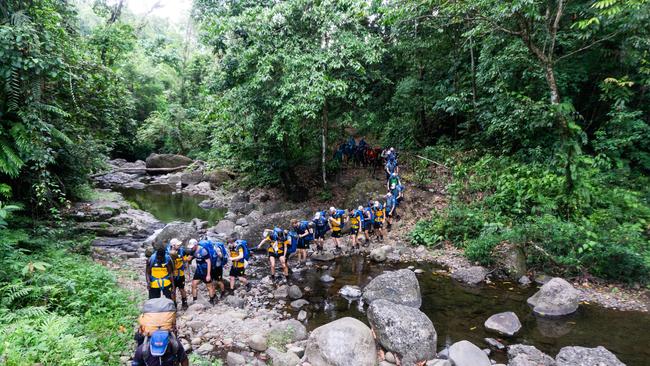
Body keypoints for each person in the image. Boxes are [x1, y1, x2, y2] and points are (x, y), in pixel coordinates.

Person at [187, 239, 217, 305]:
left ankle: (212, 300)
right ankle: (195, 300)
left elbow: (209, 262)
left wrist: (208, 275)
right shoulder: (192, 251)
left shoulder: (203, 251)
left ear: (196, 245)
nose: (191, 248)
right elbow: (189, 259)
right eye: (190, 247)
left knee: (209, 286)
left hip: (205, 270)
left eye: (192, 247)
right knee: (193, 284)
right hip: (198, 270)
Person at [166, 239, 189, 309]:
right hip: (171, 275)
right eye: (177, 245)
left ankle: (184, 302)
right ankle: (174, 304)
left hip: (180, 274)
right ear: (173, 245)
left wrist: (187, 271)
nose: (179, 246)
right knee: (173, 290)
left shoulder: (182, 251)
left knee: (182, 289)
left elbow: (185, 260)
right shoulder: (167, 252)